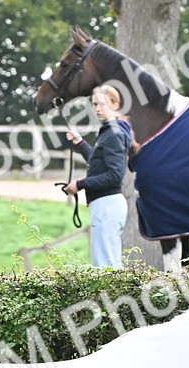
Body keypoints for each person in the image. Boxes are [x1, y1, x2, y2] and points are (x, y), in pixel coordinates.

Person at [63, 85, 131, 269]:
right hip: (105, 204)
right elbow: (98, 164)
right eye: (94, 104)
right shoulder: (110, 131)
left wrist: (80, 184)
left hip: (107, 205)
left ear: (115, 105)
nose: (98, 109)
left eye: (102, 104)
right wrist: (80, 143)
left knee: (105, 268)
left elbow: (114, 175)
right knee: (106, 266)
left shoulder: (113, 134)